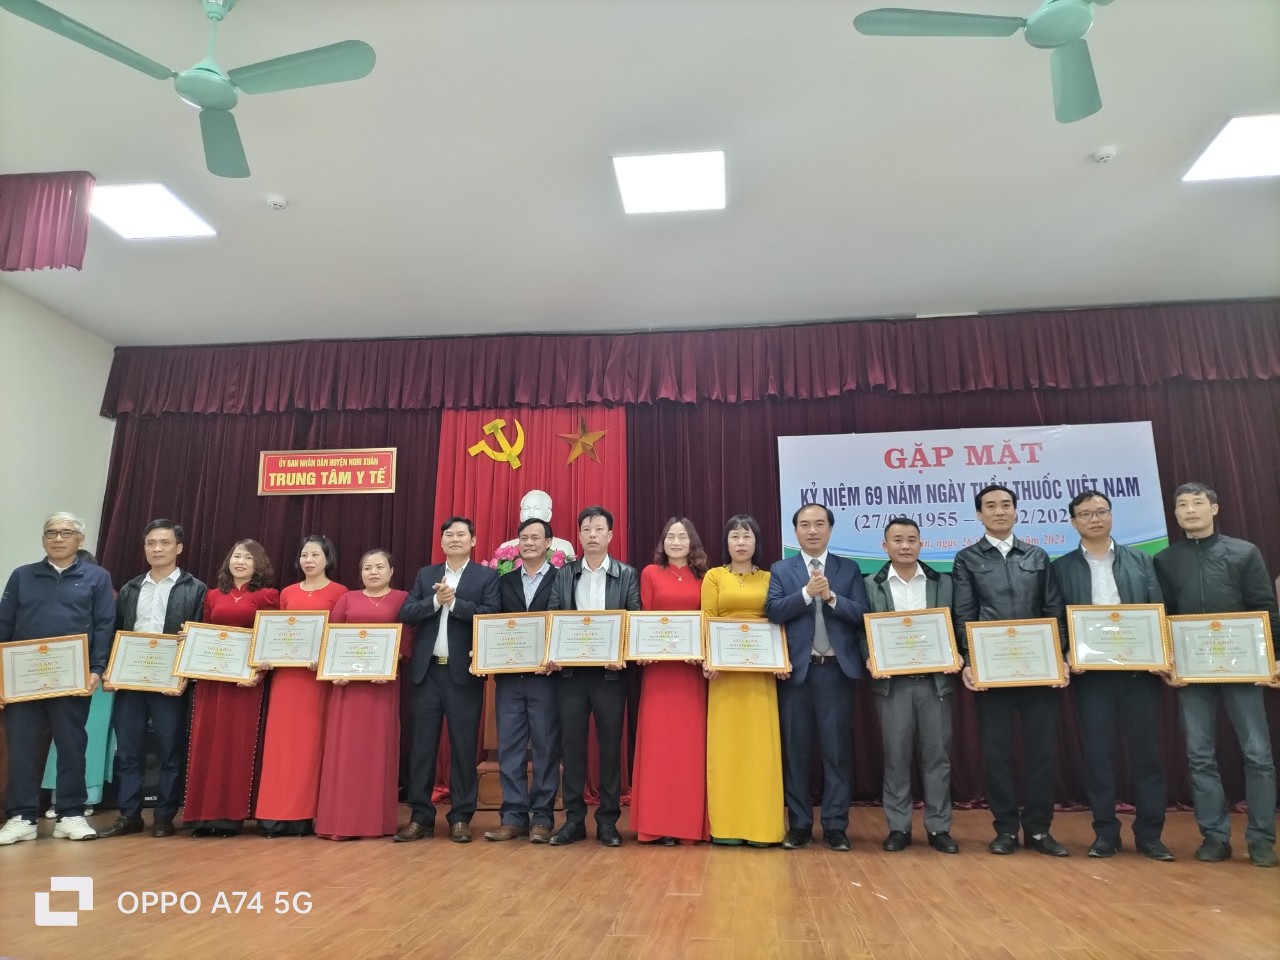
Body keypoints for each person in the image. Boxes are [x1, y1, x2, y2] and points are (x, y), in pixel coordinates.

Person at [1153, 482, 1279, 868]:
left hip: (1245, 667)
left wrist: (1274, 658)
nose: (1190, 510)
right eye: (1182, 505)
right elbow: (1164, 615)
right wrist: (1170, 661)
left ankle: (1261, 839)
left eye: (1197, 503)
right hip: (1193, 671)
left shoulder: (1244, 552)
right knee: (1199, 754)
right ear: (1175, 514)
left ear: (1215, 508)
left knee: (1257, 753)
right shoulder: (1165, 560)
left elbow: (1265, 608)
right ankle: (1214, 836)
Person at [1051, 491, 1173, 861]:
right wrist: (1066, 650)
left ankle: (1150, 835)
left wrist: (1160, 650)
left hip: (1139, 672)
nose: (1095, 518)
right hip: (1092, 676)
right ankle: (1105, 833)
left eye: (1101, 511)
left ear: (1112, 516)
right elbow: (1057, 616)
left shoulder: (1141, 560)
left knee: (1147, 756)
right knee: (1098, 757)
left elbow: (1158, 609)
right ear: (1073, 521)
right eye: (1086, 514)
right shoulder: (1061, 567)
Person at [953, 484, 1068, 857]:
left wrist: (1059, 655)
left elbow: (1053, 608)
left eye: (1006, 505)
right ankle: (1004, 828)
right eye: (990, 506)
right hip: (992, 669)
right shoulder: (967, 558)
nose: (999, 511)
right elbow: (964, 613)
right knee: (997, 752)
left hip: (1038, 667)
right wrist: (970, 660)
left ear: (1017, 512)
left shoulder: (1037, 555)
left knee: (1040, 752)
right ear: (979, 514)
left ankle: (1039, 830)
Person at [0, 512, 114, 846]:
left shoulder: (97, 577)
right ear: (43, 539)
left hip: (73, 679)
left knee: (72, 746)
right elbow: (4, 625)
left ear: (80, 539)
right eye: (51, 532)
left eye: (66, 532)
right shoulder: (22, 576)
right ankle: (22, 817)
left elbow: (104, 625)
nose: (58, 538)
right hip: (24, 681)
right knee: (21, 748)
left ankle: (70, 815)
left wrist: (96, 669)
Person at [765, 504, 868, 852]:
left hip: (836, 672)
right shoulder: (781, 569)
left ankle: (836, 826)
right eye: (805, 525)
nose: (812, 530)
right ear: (795, 531)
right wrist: (807, 594)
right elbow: (773, 611)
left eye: (819, 524)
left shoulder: (848, 568)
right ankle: (799, 825)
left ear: (830, 529)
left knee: (837, 752)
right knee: (796, 752)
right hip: (797, 673)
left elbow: (863, 614)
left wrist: (831, 597)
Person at [99, 520, 207, 839]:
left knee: (170, 751)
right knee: (127, 751)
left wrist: (185, 676)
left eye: (164, 542)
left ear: (179, 547)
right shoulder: (131, 588)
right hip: (130, 682)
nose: (157, 549)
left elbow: (199, 637)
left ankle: (164, 816)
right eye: (151, 543)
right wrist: (110, 670)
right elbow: (116, 633)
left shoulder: (195, 588)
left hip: (170, 683)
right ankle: (129, 815)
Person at [396, 517, 500, 843]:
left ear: (473, 540)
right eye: (449, 535)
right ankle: (420, 817)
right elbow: (406, 612)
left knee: (464, 747)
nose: (454, 539)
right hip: (427, 674)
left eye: (461, 534)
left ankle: (461, 817)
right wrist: (433, 602)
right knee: (422, 748)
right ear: (441, 542)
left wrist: (454, 603)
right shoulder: (426, 574)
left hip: (462, 676)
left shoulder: (486, 576)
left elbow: (491, 614)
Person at [860, 517, 960, 854]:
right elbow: (861, 631)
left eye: (912, 539)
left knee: (938, 757)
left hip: (935, 684)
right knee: (896, 757)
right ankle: (898, 827)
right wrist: (869, 657)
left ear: (921, 544)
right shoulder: (870, 585)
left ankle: (939, 827)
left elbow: (957, 623)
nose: (905, 546)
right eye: (898, 540)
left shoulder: (943, 582)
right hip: (893, 686)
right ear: (884, 546)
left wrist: (958, 653)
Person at [546, 506, 641, 847]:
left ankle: (607, 821)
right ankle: (573, 820)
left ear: (610, 535)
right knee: (571, 747)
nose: (592, 535)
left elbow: (633, 618)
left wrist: (621, 654)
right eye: (586, 529)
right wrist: (553, 651)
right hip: (571, 676)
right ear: (579, 535)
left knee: (610, 748)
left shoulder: (626, 574)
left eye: (599, 529)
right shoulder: (565, 574)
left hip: (609, 677)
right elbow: (554, 615)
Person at [183, 539, 278, 838]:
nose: (240, 561)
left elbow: (269, 640)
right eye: (236, 556)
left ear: (258, 564)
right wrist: (190, 643)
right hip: (212, 681)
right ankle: (201, 815)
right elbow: (206, 632)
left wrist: (258, 673)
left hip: (245, 683)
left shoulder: (267, 596)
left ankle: (229, 817)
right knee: (205, 742)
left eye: (248, 558)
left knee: (237, 744)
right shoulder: (212, 595)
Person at [255, 535, 348, 838]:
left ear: (327, 559)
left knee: (309, 746)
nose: (309, 560)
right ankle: (272, 815)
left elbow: (340, 636)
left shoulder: (340, 593)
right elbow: (278, 633)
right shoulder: (287, 593)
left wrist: (323, 658)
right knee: (279, 746)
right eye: (305, 555)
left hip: (316, 681)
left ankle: (302, 816)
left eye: (315, 555)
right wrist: (266, 655)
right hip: (286, 679)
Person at [701, 515, 784, 846]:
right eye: (734, 536)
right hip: (724, 676)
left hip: (760, 674)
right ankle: (726, 826)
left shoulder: (771, 577)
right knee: (727, 751)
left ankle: (763, 827)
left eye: (747, 536)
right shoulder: (714, 576)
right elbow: (707, 619)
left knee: (760, 751)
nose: (740, 542)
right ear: (727, 542)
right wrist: (709, 659)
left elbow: (777, 620)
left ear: (756, 542)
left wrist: (781, 659)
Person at [315, 549, 409, 841]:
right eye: (368, 567)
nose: (373, 572)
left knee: (376, 751)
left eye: (380, 566)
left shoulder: (402, 599)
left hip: (382, 686)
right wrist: (333, 670)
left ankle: (373, 823)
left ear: (391, 571)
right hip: (347, 687)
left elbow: (408, 638)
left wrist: (391, 664)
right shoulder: (348, 599)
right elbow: (330, 637)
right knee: (345, 752)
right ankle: (339, 822)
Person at [631, 517, 711, 845]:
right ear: (662, 542)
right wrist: (641, 650)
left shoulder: (706, 577)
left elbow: (708, 622)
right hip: (658, 673)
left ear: (692, 542)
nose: (676, 542)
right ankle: (656, 824)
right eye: (670, 537)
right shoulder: (650, 573)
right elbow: (644, 616)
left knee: (688, 750)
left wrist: (702, 651)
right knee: (658, 748)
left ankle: (686, 825)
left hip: (690, 674)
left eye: (682, 536)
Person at [484, 518, 562, 844]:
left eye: (535, 537)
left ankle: (542, 818)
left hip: (547, 678)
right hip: (510, 679)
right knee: (510, 749)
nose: (529, 543)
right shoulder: (503, 581)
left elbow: (567, 622)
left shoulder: (562, 579)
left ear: (548, 543)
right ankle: (513, 817)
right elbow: (492, 623)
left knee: (545, 748)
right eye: (524, 538)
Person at [42, 548, 114, 820]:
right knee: (62, 739)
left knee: (89, 739)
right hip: (60, 674)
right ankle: (58, 797)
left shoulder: (109, 596)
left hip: (95, 677)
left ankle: (84, 798)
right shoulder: (50, 596)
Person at [497, 489, 577, 560]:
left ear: (549, 515)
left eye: (536, 509)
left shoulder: (564, 547)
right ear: (521, 515)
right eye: (527, 509)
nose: (531, 514)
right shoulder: (506, 548)